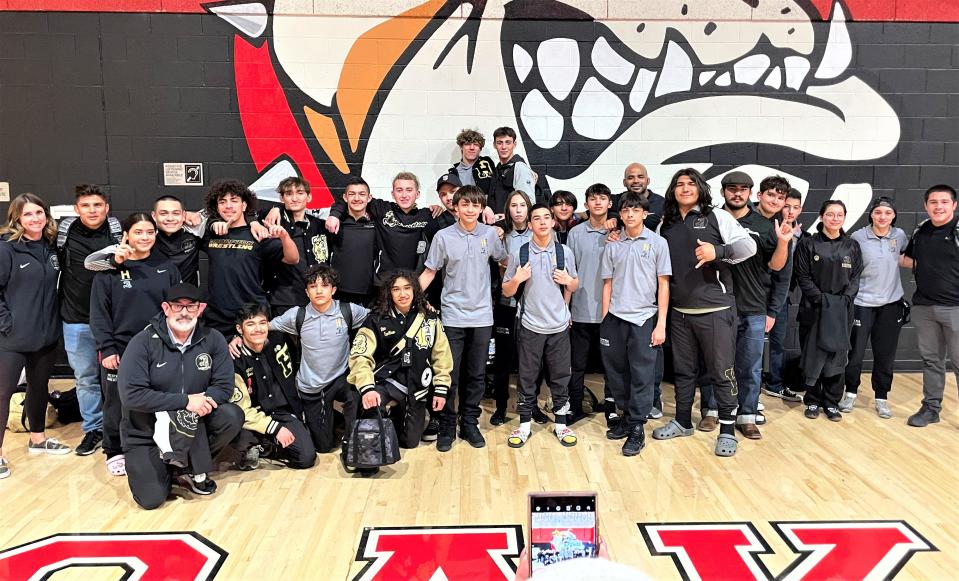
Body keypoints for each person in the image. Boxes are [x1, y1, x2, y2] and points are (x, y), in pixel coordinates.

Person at [652, 168, 756, 457]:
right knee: (684, 372)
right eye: (679, 184)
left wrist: (718, 252)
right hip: (679, 312)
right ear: (673, 190)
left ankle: (726, 430)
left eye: (690, 183)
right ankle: (683, 421)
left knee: (722, 372)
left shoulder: (716, 216)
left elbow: (750, 246)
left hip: (716, 309)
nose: (684, 188)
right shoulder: (666, 224)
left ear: (700, 188)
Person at [117, 283, 244, 510]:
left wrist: (200, 404)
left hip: (195, 425)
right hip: (146, 432)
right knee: (152, 499)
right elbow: (131, 396)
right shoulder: (142, 342)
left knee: (232, 415)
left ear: (201, 309)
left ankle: (184, 467)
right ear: (166, 308)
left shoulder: (213, 339)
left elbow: (224, 385)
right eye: (177, 306)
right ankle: (169, 467)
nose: (184, 312)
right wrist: (186, 402)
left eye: (191, 306)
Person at [87, 213, 181, 476]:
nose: (145, 237)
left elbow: (175, 309)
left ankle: (155, 444)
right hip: (120, 348)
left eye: (150, 232)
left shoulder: (166, 267)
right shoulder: (109, 270)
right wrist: (107, 348)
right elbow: (99, 313)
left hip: (158, 347)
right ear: (126, 235)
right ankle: (114, 449)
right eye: (139, 232)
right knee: (116, 402)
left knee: (158, 399)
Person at [420, 185, 508, 451]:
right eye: (465, 205)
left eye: (475, 205)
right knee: (449, 372)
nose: (470, 209)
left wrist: (510, 289)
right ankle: (447, 423)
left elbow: (503, 262)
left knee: (476, 373)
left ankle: (469, 421)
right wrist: (408, 297)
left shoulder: (491, 235)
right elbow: (430, 272)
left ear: (481, 208)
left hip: (482, 316)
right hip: (452, 316)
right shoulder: (443, 237)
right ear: (455, 208)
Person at [715, 172, 792, 439]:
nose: (737, 194)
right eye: (732, 189)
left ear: (750, 193)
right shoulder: (712, 219)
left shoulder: (764, 224)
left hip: (753, 306)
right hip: (718, 305)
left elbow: (777, 266)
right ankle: (713, 412)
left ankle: (747, 416)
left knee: (750, 366)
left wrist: (783, 242)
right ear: (723, 191)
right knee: (717, 364)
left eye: (743, 189)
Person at [0, 194, 71, 478]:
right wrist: (6, 324)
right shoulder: (6, 250)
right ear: (17, 218)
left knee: (39, 387)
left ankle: (38, 439)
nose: (35, 219)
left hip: (45, 335)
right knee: (3, 393)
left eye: (39, 213)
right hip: (12, 337)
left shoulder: (51, 248)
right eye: (28, 214)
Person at [598, 193, 671, 456]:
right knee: (617, 373)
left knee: (641, 375)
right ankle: (627, 418)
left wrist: (660, 323)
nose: (630, 214)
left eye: (635, 210)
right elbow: (607, 283)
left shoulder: (657, 243)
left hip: (643, 318)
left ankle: (638, 427)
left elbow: (663, 285)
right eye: (626, 210)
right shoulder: (613, 244)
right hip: (615, 318)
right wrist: (606, 318)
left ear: (644, 214)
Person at [501, 204, 580, 448]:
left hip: (558, 327)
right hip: (530, 325)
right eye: (537, 218)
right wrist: (517, 278)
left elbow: (575, 285)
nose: (543, 222)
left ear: (553, 222)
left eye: (547, 217)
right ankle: (524, 424)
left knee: (560, 377)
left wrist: (569, 281)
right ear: (531, 223)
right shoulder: (520, 253)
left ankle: (561, 423)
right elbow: (506, 290)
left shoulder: (564, 252)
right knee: (527, 376)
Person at [268, 264, 368, 452]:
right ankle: (331, 421)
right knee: (323, 447)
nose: (319, 290)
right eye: (313, 286)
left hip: (341, 378)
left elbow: (378, 319)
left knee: (355, 391)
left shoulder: (348, 311)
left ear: (334, 290)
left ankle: (352, 440)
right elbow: (262, 328)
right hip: (312, 385)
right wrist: (236, 340)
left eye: (325, 285)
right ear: (307, 292)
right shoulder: (297, 315)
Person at [348, 271, 453, 448]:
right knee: (372, 405)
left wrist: (441, 388)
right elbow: (360, 356)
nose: (402, 294)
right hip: (386, 383)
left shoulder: (430, 319)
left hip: (417, 387)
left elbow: (442, 356)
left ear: (415, 290)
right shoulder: (376, 319)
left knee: (410, 442)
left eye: (407, 288)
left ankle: (397, 416)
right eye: (396, 289)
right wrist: (367, 388)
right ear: (389, 293)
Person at [57, 184, 123, 457]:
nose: (92, 210)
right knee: (86, 378)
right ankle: (93, 428)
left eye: (97, 205)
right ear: (77, 209)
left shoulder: (119, 232)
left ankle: (120, 428)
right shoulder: (64, 233)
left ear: (106, 208)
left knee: (120, 378)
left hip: (113, 321)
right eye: (86, 206)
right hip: (76, 319)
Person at [794, 200, 863, 421]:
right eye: (830, 214)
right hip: (814, 310)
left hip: (842, 311)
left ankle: (832, 402)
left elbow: (855, 278)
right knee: (813, 356)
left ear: (844, 218)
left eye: (839, 215)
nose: (835, 219)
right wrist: (821, 300)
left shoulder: (851, 246)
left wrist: (842, 301)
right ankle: (813, 400)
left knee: (837, 356)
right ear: (822, 216)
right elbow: (803, 276)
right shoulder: (808, 243)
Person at [201, 179, 299, 335]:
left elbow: (293, 259)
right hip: (216, 317)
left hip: (251, 315)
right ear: (217, 207)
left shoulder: (258, 233)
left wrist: (285, 237)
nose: (228, 206)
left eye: (234, 201)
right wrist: (212, 224)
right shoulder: (210, 234)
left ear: (244, 205)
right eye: (222, 202)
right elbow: (189, 219)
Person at [841, 197, 909, 418]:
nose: (882, 217)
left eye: (887, 213)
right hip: (863, 304)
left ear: (893, 216)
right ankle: (850, 392)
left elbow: (906, 259)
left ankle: (882, 397)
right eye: (878, 212)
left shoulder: (899, 236)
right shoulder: (858, 237)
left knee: (885, 355)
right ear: (871, 214)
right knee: (856, 354)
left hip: (891, 305)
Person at [230, 303, 316, 469]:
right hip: (252, 415)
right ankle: (251, 444)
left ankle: (268, 445)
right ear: (239, 330)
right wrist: (275, 429)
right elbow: (242, 409)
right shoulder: (234, 359)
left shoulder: (279, 340)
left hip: (282, 412)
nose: (258, 329)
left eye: (262, 323)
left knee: (306, 457)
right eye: (250, 324)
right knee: (234, 419)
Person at [901, 184, 959, 427]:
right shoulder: (921, 230)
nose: (938, 207)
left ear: (954, 205)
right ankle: (931, 408)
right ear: (926, 206)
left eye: (944, 202)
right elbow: (909, 260)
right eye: (933, 202)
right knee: (932, 361)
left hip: (955, 308)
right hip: (924, 307)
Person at [325, 172, 438, 284]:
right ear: (393, 194)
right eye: (399, 190)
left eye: (409, 190)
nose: (404, 195)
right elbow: (350, 199)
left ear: (417, 194)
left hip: (412, 284)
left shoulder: (428, 215)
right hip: (383, 283)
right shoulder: (382, 208)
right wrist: (334, 215)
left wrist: (440, 209)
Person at [566, 184, 613, 425]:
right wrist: (567, 308)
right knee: (577, 365)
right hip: (581, 310)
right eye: (592, 199)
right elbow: (568, 273)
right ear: (586, 204)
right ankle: (575, 406)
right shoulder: (575, 233)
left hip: (610, 312)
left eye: (602, 198)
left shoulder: (618, 231)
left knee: (611, 365)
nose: (597, 203)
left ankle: (612, 409)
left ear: (609, 204)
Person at [489, 190, 534, 426]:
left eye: (522, 205)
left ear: (529, 208)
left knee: (531, 359)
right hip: (506, 302)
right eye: (513, 205)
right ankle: (501, 407)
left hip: (534, 303)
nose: (518, 210)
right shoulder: (499, 233)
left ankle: (530, 405)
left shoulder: (540, 231)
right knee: (503, 360)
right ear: (508, 209)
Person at [261, 177, 330, 315]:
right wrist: (276, 208)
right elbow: (247, 214)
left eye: (300, 193)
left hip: (316, 300)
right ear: (282, 198)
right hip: (282, 300)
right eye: (288, 194)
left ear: (308, 197)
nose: (294, 198)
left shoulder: (320, 225)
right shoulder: (273, 223)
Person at [764, 187, 807, 402]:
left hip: (783, 297)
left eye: (795, 207)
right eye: (787, 206)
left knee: (778, 342)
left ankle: (775, 384)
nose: (790, 211)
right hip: (758, 293)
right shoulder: (767, 229)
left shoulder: (804, 237)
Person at [328, 176, 379, 306]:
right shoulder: (333, 223)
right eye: (352, 194)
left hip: (369, 295)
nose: (357, 198)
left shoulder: (379, 223)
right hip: (338, 293)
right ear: (345, 198)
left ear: (369, 198)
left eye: (362, 194)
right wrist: (276, 208)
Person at [486, 127, 537, 224]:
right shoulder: (498, 169)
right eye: (500, 142)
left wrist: (509, 217)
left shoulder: (520, 168)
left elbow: (528, 202)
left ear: (514, 144)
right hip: (498, 226)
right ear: (494, 145)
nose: (504, 147)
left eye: (508, 142)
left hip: (512, 227)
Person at [151, 195, 205, 286]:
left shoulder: (194, 232)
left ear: (184, 215)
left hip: (188, 297)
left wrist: (211, 222)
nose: (170, 218)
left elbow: (217, 209)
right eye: (163, 213)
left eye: (176, 213)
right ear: (154, 216)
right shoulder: (146, 237)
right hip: (156, 297)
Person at [610, 162, 666, 231]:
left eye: (640, 177)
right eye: (630, 178)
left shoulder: (662, 203)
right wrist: (613, 217)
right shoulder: (616, 200)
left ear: (648, 181)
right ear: (624, 182)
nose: (636, 181)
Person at [448, 128, 495, 193]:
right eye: (468, 144)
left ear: (480, 148)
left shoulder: (488, 165)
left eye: (476, 145)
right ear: (461, 147)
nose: (472, 148)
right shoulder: (454, 172)